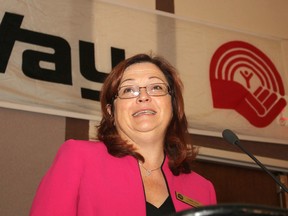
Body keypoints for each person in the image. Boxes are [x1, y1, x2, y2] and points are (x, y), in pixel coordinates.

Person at [30, 53, 217, 216]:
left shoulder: (202, 189)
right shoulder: (78, 157)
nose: (143, 96)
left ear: (174, 105)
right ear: (111, 111)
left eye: (156, 87)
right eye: (129, 90)